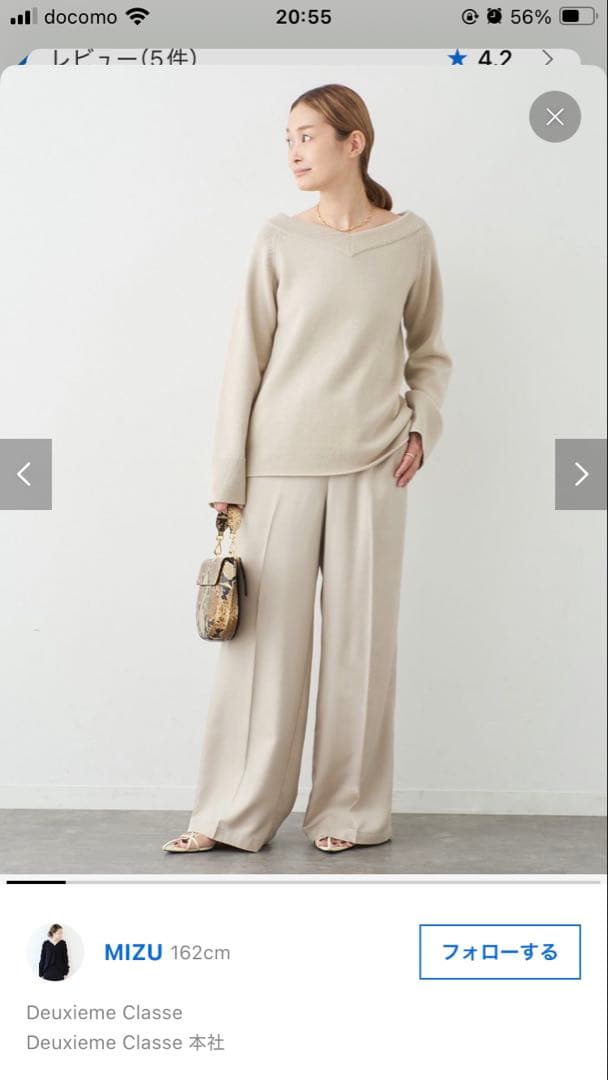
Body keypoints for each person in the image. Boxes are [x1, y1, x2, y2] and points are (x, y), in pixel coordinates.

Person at [163, 82, 452, 856]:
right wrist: (227, 478)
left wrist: (422, 424)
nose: (293, 151)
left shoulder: (410, 240)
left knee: (362, 647)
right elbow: (245, 360)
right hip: (278, 466)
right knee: (261, 653)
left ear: (354, 142)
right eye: (287, 138)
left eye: (307, 135)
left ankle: (346, 813)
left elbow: (429, 352)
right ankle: (231, 814)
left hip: (377, 464)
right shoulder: (278, 239)